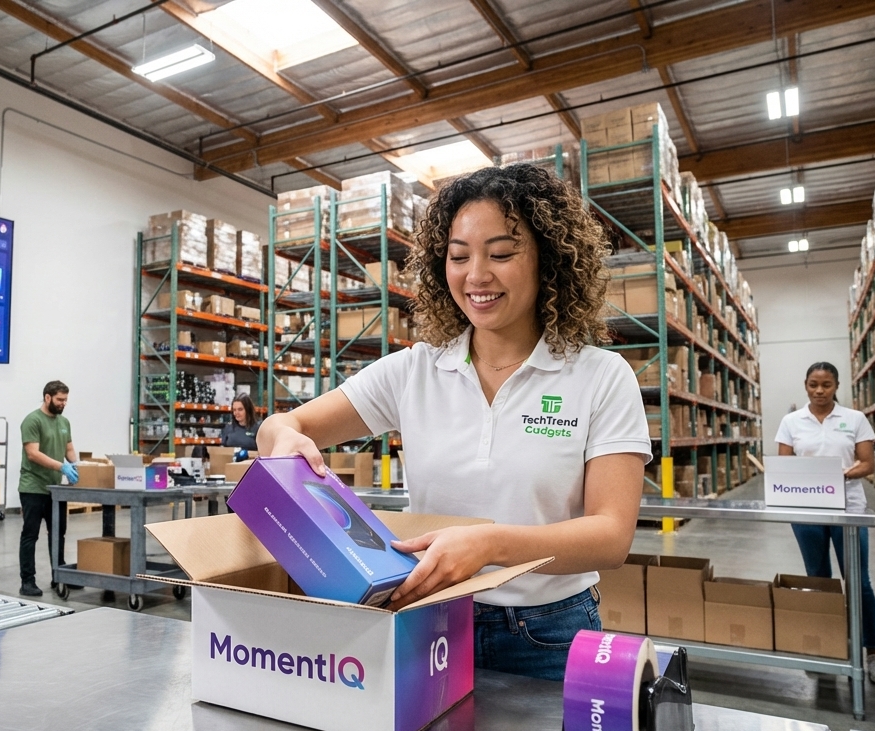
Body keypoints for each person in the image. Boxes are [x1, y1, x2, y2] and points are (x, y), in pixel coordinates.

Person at [257, 164, 650, 680]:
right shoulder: (415, 369)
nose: (476, 275)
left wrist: (490, 545)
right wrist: (283, 437)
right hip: (431, 621)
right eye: (459, 256)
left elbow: (611, 535)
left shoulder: (600, 376)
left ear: (547, 261)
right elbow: (282, 426)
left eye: (502, 253)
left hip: (549, 634)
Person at [776, 362, 875, 685]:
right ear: (805, 385)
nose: (819, 391)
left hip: (848, 509)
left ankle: (873, 654)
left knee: (859, 581)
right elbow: (784, 464)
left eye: (826, 385)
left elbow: (867, 463)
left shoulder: (855, 420)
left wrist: (837, 475)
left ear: (836, 386)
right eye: (813, 384)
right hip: (808, 511)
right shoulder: (791, 422)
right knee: (819, 580)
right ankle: (826, 647)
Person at [18, 381, 78, 597]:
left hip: (55, 489)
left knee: (58, 533)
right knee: (30, 534)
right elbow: (33, 453)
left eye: (65, 400)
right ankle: (27, 581)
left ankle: (59, 575)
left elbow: (68, 447)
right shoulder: (32, 420)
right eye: (60, 400)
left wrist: (75, 465)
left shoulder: (64, 422)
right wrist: (61, 466)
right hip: (33, 487)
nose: (63, 404)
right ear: (47, 397)